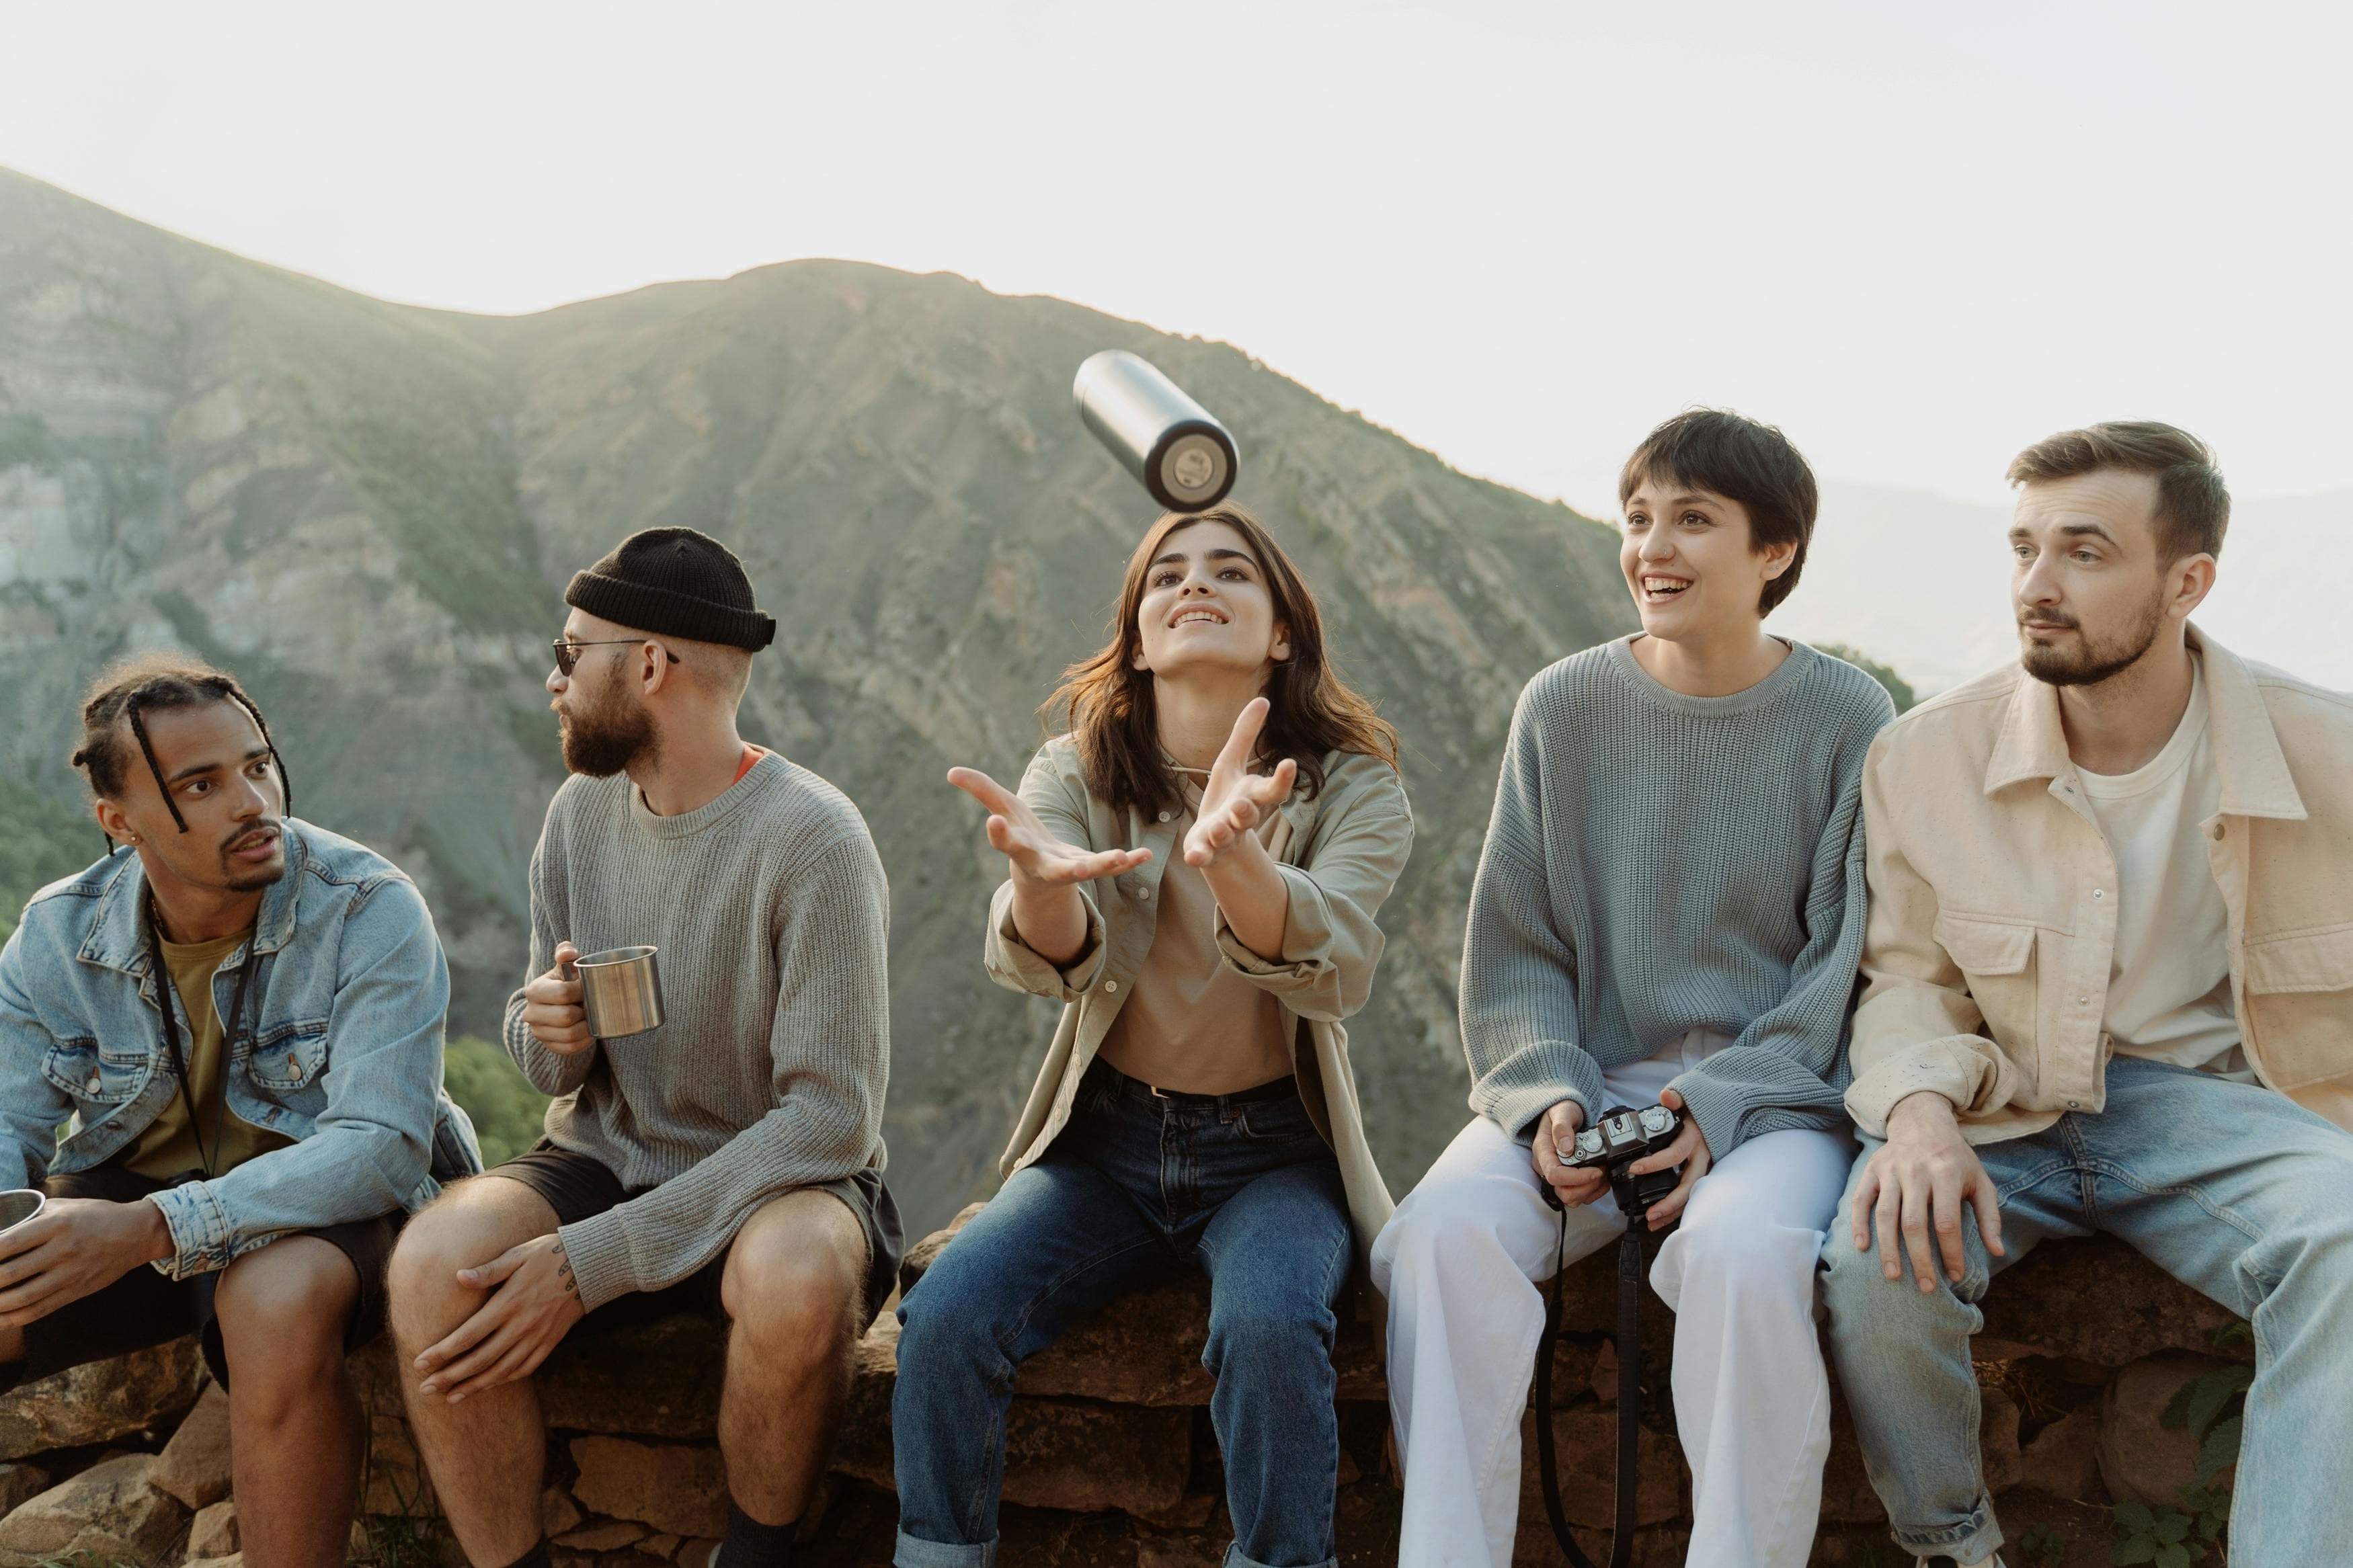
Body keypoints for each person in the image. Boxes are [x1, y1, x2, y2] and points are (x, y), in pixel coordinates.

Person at [1819, 423, 2353, 1568]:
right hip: (2003, 1103)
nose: (2037, 586)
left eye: (2084, 552)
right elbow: (1904, 974)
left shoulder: (2329, 750)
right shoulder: (1924, 756)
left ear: (2187, 580)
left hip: (2217, 1109)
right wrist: (1915, 1116)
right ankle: (1952, 1545)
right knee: (1875, 1261)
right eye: (2023, 548)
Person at [1373, 409, 1897, 1568]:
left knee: (1741, 1258)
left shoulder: (1848, 717)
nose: (1653, 546)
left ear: (1776, 552)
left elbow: (1844, 966)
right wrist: (1548, 1092)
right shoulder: (1562, 705)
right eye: (1640, 516)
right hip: (1595, 1080)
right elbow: (1519, 947)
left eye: (1693, 519)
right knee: (1438, 1240)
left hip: (1779, 1097)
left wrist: (1721, 1108)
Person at [893, 501, 1412, 1568]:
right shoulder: (1073, 773)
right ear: (1137, 634)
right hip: (1108, 1151)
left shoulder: (1355, 788)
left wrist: (1238, 860)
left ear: (1281, 631)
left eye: (1230, 572)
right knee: (946, 1316)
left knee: (1272, 1332)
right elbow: (1051, 953)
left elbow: (1333, 959)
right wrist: (1040, 887)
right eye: (1166, 575)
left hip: (1276, 1155)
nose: (1194, 585)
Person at [387, 528, 902, 1568]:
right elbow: (550, 1066)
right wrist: (548, 1030)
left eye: (571, 652)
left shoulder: (816, 839)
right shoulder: (578, 813)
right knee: (436, 1258)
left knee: (800, 1273)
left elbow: (832, 1117)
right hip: (607, 1159)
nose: (552, 678)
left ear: (652, 664)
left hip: (781, 1181)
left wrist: (595, 1262)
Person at [0, 655, 479, 1568]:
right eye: (202, 784)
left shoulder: (368, 906)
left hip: (323, 1206)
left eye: (258, 765)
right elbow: (5, 1120)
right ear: (120, 820)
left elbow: (380, 1144)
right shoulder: (58, 934)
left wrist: (150, 1227)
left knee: (273, 1299)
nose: (252, 801)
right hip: (136, 1203)